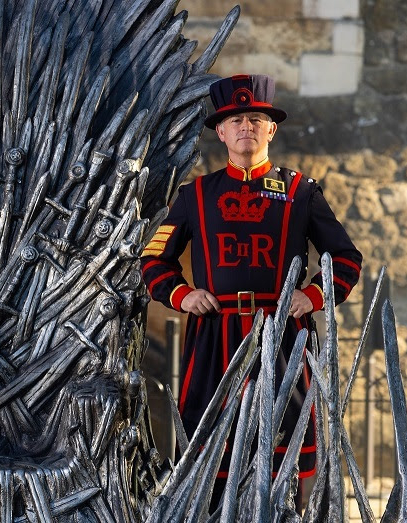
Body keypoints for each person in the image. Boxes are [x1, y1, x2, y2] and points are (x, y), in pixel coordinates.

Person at [141, 74, 362, 507]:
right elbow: (152, 260)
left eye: (256, 119)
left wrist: (313, 296)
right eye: (236, 119)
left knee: (293, 437)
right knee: (206, 443)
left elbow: (347, 259)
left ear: (270, 129)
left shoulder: (301, 192)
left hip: (281, 337)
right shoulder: (195, 196)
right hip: (213, 339)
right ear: (221, 131)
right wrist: (181, 295)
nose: (247, 126)